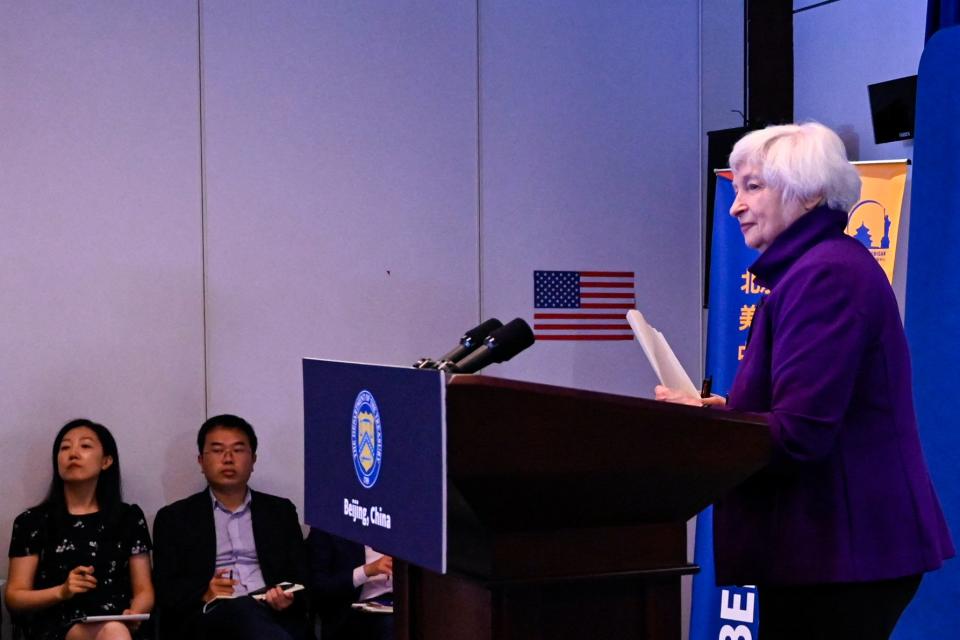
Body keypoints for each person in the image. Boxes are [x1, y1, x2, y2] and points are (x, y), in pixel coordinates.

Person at [656, 122, 954, 639]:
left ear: (810, 193)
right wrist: (720, 412)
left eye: (753, 187)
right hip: (833, 551)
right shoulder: (817, 268)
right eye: (737, 188)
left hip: (843, 552)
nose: (734, 206)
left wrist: (709, 427)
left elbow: (800, 433)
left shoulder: (824, 275)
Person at [152, 414, 310, 640]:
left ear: (253, 459)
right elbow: (166, 589)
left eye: (238, 450)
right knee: (240, 609)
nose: (227, 458)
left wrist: (287, 598)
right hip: (209, 619)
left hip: (273, 614)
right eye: (217, 450)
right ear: (200, 461)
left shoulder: (280, 512)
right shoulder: (174, 518)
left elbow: (302, 576)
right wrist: (205, 594)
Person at [6, 419, 154, 640]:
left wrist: (134, 612)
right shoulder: (32, 522)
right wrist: (62, 591)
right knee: (114, 632)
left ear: (106, 461)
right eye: (65, 447)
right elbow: (15, 597)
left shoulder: (128, 517)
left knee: (115, 629)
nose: (72, 454)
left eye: (85, 446)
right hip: (56, 624)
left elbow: (144, 589)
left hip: (118, 621)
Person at [306, 527, 393, 640]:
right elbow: (319, 587)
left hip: (401, 603)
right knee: (391, 627)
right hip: (352, 609)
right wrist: (367, 571)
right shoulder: (329, 526)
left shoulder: (402, 523)